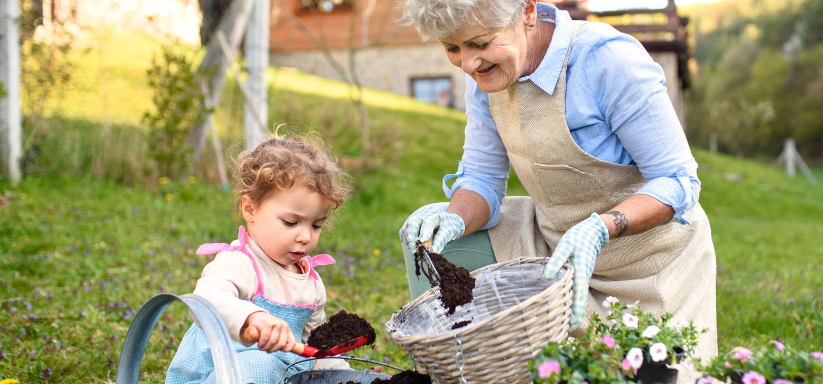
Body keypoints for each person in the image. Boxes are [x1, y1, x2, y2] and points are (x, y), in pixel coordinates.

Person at [397, 0, 717, 381]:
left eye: (480, 44)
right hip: (554, 251)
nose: (468, 64)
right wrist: (453, 219)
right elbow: (482, 180)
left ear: (527, 12)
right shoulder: (485, 73)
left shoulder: (606, 60)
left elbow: (678, 179)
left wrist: (601, 227)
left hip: (648, 265)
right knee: (427, 234)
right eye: (452, 48)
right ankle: (466, 371)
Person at [167, 135, 354, 384]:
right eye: (291, 222)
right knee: (260, 363)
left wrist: (346, 377)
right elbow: (206, 301)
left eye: (317, 225)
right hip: (218, 375)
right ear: (250, 209)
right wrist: (252, 317)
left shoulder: (310, 284)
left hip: (277, 376)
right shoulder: (240, 263)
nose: (305, 236)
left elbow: (318, 348)